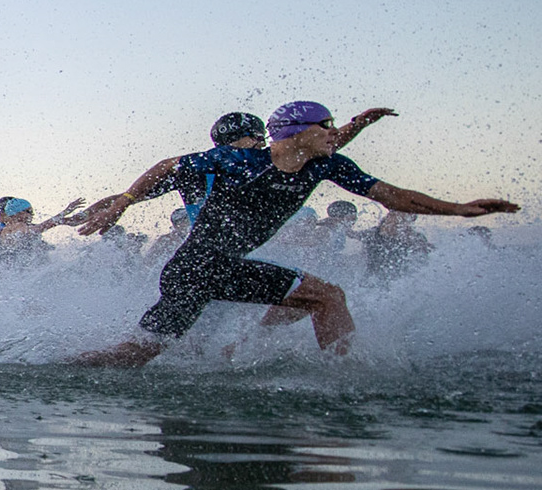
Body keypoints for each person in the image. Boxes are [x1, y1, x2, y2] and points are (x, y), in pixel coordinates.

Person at [74, 101, 518, 367]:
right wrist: (125, 201)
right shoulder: (235, 161)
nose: (334, 134)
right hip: (195, 268)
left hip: (220, 267)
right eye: (326, 126)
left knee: (323, 296)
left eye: (334, 127)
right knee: (130, 357)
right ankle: (43, 371)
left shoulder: (325, 164)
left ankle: (281, 360)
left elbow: (391, 195)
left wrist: (459, 209)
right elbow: (169, 166)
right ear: (293, 132)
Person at [76, 108, 394, 231]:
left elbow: (321, 145)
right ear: (235, 140)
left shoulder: (262, 162)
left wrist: (358, 124)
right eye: (256, 136)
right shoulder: (200, 168)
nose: (262, 141)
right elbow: (130, 195)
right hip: (219, 251)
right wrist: (86, 215)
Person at [0, 195, 85, 263]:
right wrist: (65, 212)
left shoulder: (4, 230)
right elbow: (41, 227)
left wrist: (66, 220)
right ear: (17, 213)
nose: (32, 214)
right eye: (29, 211)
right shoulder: (17, 227)